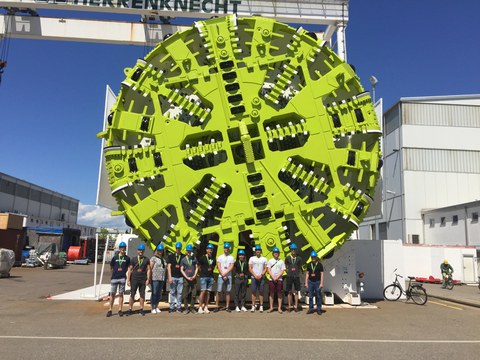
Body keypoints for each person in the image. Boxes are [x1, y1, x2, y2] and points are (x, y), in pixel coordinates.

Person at [106, 241, 130, 317]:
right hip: (114, 278)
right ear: (119, 248)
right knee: (112, 294)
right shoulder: (115, 257)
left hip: (122, 278)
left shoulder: (127, 258)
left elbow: (127, 268)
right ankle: (110, 309)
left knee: (121, 294)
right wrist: (114, 273)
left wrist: (123, 273)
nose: (123, 249)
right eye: (121, 248)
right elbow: (111, 267)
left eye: (124, 248)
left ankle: (120, 309)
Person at [126, 243, 151, 316]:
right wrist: (128, 280)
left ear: (144, 251)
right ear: (137, 251)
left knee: (142, 294)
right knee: (132, 294)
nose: (141, 251)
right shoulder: (133, 259)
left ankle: (141, 309)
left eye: (142, 250)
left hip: (143, 280)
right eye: (140, 250)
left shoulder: (146, 259)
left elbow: (149, 270)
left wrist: (148, 279)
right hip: (134, 279)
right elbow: (129, 269)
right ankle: (130, 309)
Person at [214, 242, 235, 312]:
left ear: (229, 249)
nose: (226, 249)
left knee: (228, 292)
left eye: (227, 248)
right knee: (218, 291)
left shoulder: (231, 257)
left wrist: (224, 274)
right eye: (225, 248)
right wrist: (223, 274)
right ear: (223, 248)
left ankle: (227, 306)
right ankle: (217, 306)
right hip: (221, 276)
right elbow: (218, 266)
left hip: (228, 276)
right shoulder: (220, 257)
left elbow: (231, 267)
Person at [248, 245, 268, 312]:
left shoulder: (264, 259)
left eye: (259, 250)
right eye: (257, 250)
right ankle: (253, 306)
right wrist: (255, 275)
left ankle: (261, 306)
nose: (258, 251)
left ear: (261, 251)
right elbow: (250, 268)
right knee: (253, 292)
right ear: (255, 251)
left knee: (261, 292)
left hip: (261, 277)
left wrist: (261, 275)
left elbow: (266, 268)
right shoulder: (251, 258)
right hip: (254, 277)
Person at [180, 244, 199, 314]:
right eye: (188, 251)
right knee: (185, 295)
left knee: (194, 294)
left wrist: (194, 275)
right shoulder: (183, 260)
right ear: (186, 251)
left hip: (193, 279)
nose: (189, 252)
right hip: (186, 279)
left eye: (190, 251)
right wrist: (186, 277)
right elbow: (181, 269)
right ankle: (186, 308)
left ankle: (192, 308)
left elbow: (196, 267)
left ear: (191, 251)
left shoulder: (194, 258)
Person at [198, 243, 216, 314]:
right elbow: (198, 265)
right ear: (206, 250)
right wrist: (202, 272)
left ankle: (206, 307)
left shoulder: (213, 258)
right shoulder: (202, 258)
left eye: (211, 249)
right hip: (204, 277)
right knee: (203, 292)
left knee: (208, 293)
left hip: (210, 277)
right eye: (209, 249)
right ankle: (200, 307)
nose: (210, 251)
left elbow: (213, 267)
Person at [267, 247, 286, 313]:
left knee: (279, 294)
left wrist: (277, 277)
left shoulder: (281, 261)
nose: (276, 254)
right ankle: (271, 307)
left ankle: (279, 308)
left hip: (279, 279)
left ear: (278, 254)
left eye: (277, 253)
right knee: (271, 294)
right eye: (275, 252)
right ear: (273, 253)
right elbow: (268, 269)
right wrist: (273, 277)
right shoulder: (270, 261)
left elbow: (282, 270)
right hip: (271, 279)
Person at [285, 243, 303, 312]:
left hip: (296, 276)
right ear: (290, 250)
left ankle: (296, 306)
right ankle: (289, 306)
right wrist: (288, 271)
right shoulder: (287, 258)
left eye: (294, 249)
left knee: (296, 291)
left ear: (295, 250)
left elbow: (299, 267)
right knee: (289, 291)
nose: (293, 250)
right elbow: (286, 266)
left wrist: (295, 271)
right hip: (289, 276)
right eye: (292, 249)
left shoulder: (299, 258)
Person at [305, 251, 324, 315]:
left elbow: (322, 274)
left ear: (316, 257)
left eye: (314, 257)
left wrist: (321, 283)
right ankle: (311, 309)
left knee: (318, 296)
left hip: (317, 282)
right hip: (310, 282)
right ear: (311, 257)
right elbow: (307, 274)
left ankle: (318, 309)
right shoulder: (309, 265)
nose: (313, 258)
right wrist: (306, 283)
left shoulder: (320, 265)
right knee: (310, 296)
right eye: (312, 257)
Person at [150, 243, 167, 314]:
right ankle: (152, 307)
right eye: (159, 250)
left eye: (161, 250)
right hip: (155, 278)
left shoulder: (163, 259)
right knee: (154, 293)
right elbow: (150, 268)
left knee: (159, 293)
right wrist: (149, 278)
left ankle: (156, 306)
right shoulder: (153, 258)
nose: (160, 252)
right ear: (157, 250)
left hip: (162, 278)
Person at [167, 242, 184, 313]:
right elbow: (169, 267)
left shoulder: (183, 256)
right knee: (172, 292)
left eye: (179, 248)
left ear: (181, 249)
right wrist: (170, 277)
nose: (178, 249)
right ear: (175, 248)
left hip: (180, 277)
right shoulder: (171, 256)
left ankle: (179, 307)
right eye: (177, 248)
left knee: (179, 293)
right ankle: (171, 307)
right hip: (173, 277)